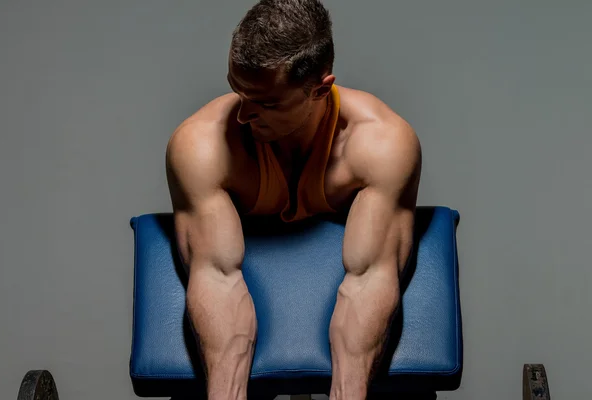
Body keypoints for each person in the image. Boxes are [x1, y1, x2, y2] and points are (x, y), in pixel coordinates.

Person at [165, 0, 421, 398]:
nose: (242, 115)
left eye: (266, 103)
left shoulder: (380, 144)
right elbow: (217, 276)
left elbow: (370, 277)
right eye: (238, 91)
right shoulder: (201, 146)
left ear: (320, 89)